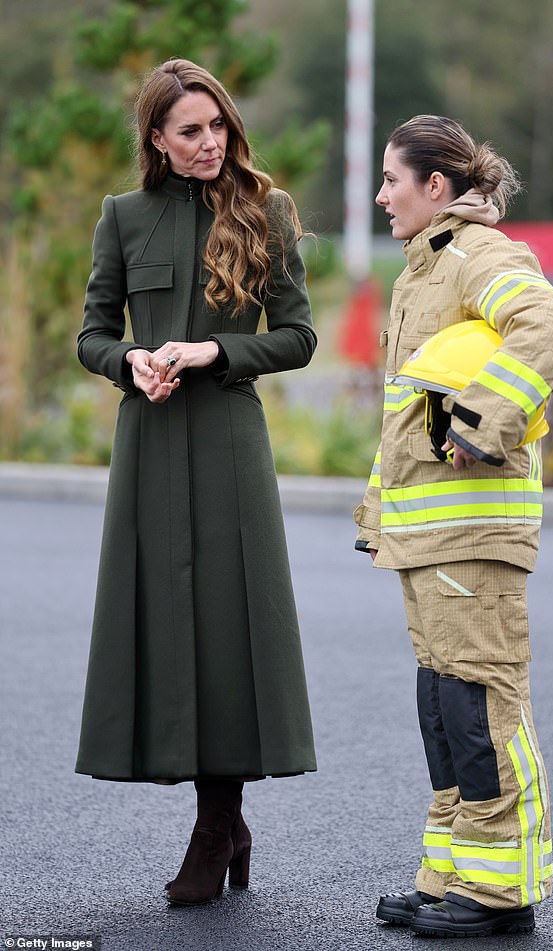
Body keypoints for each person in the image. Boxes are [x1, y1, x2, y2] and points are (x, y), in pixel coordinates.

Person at [75, 58, 318, 907]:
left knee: (225, 629)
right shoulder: (122, 217)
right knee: (166, 629)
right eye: (190, 131)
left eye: (217, 126)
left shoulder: (266, 211)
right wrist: (129, 359)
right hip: (148, 438)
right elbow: (93, 333)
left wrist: (216, 350)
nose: (210, 142)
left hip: (227, 442)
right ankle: (223, 821)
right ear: (157, 139)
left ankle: (218, 824)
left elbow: (297, 336)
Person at [354, 115, 553, 937]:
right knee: (447, 709)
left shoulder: (479, 256)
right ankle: (454, 875)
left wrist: (486, 420)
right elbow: (407, 421)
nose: (381, 196)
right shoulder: (427, 270)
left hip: (475, 536)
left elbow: (547, 326)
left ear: (434, 188)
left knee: (483, 707)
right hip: (430, 539)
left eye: (391, 180)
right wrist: (381, 518)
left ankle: (502, 890)